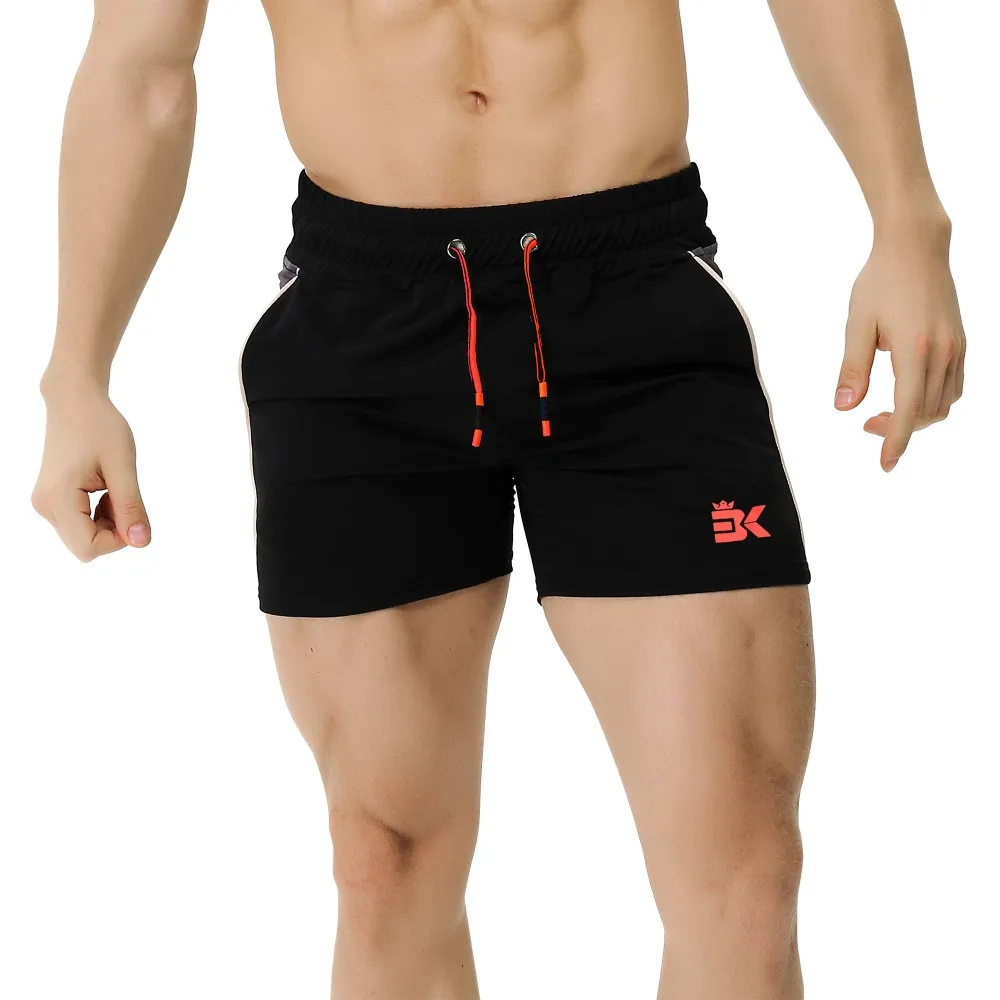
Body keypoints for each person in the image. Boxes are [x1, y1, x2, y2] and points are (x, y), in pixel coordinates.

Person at [31, 1, 966, 997]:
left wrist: (907, 219)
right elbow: (143, 69)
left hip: (633, 307)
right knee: (385, 864)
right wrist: (77, 370)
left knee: (745, 885)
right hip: (363, 333)